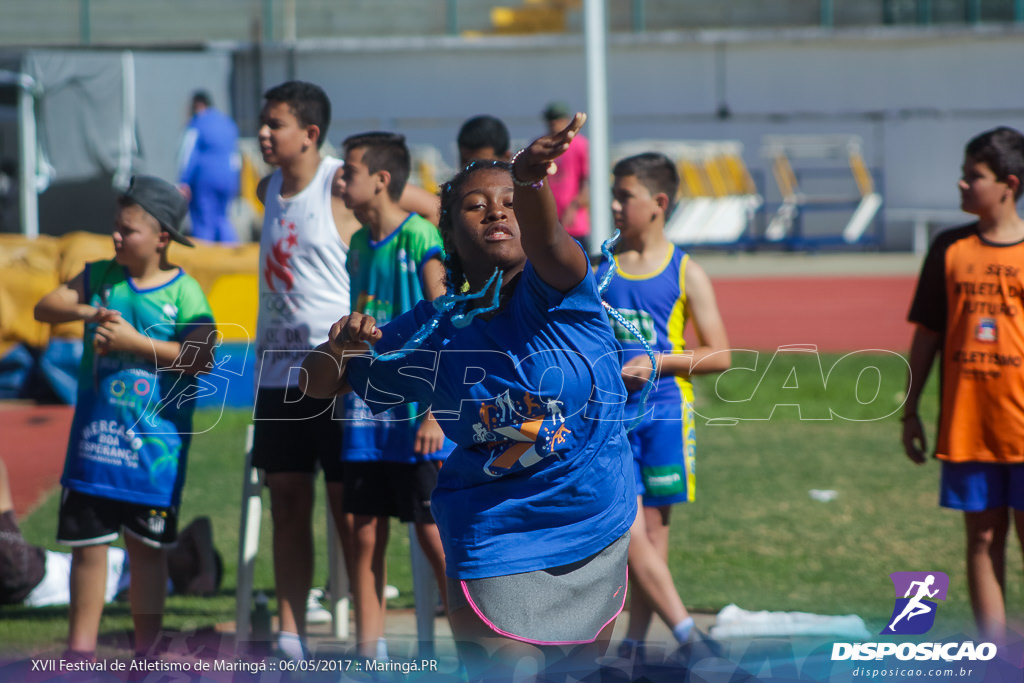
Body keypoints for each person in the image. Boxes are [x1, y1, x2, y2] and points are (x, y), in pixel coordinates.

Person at [302, 113, 636, 679]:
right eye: (476, 205)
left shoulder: (563, 289)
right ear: (450, 232)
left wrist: (533, 179)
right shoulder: (435, 326)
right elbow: (315, 386)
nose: (498, 210)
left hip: (588, 520)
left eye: (509, 200)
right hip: (493, 531)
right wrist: (339, 347)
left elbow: (551, 237)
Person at [33, 174, 217, 661]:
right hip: (95, 450)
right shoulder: (100, 278)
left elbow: (202, 356)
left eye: (128, 229)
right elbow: (45, 306)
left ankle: (147, 656)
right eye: (114, 226)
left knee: (147, 555)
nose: (116, 236)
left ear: (162, 238)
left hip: (154, 460)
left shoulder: (185, 293)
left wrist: (134, 343)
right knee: (88, 551)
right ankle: (78, 656)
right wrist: (91, 313)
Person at [597, 152, 731, 660]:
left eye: (623, 195)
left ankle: (635, 643)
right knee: (627, 529)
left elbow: (719, 354)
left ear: (657, 203)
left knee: (654, 532)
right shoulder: (597, 268)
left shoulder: (686, 272)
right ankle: (685, 634)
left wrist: (655, 363)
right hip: (610, 418)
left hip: (666, 415)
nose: (612, 204)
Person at [902, 126, 1024, 643]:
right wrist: (910, 410)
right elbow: (927, 335)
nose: (961, 184)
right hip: (969, 427)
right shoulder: (949, 247)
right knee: (982, 541)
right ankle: (996, 657)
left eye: (974, 176)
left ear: (1008, 185)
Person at [335, 131, 450, 659]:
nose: (340, 178)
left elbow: (445, 323)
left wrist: (433, 412)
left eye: (349, 170)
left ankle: (482, 648)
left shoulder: (421, 238)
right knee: (361, 532)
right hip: (367, 418)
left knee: (435, 537)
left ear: (381, 180)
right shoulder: (358, 245)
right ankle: (369, 654)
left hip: (417, 420)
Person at [253, 80, 353, 662]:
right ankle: (291, 635)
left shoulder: (340, 180)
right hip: (276, 376)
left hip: (337, 373)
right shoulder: (267, 188)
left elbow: (416, 206)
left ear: (311, 134)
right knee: (286, 500)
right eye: (263, 123)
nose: (264, 133)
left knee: (350, 509)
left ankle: (367, 629)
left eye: (276, 124)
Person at [1, 459, 223, 607]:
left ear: (189, 576)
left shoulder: (162, 585)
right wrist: (207, 571)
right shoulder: (152, 564)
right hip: (37, 565)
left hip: (34, 578)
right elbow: (201, 524)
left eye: (190, 552)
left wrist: (205, 577)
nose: (181, 543)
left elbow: (129, 597)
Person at [177, 90, 241, 243]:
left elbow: (187, 153)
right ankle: (231, 256)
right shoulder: (228, 123)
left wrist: (183, 181)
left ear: (197, 105)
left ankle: (203, 262)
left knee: (203, 221)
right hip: (229, 178)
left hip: (205, 179)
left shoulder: (197, 123)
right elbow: (236, 156)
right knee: (223, 218)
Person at [542, 101, 590, 254]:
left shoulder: (580, 145)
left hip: (574, 223)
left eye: (557, 119)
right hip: (548, 221)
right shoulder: (542, 145)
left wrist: (574, 207)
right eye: (550, 120)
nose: (553, 124)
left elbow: (587, 182)